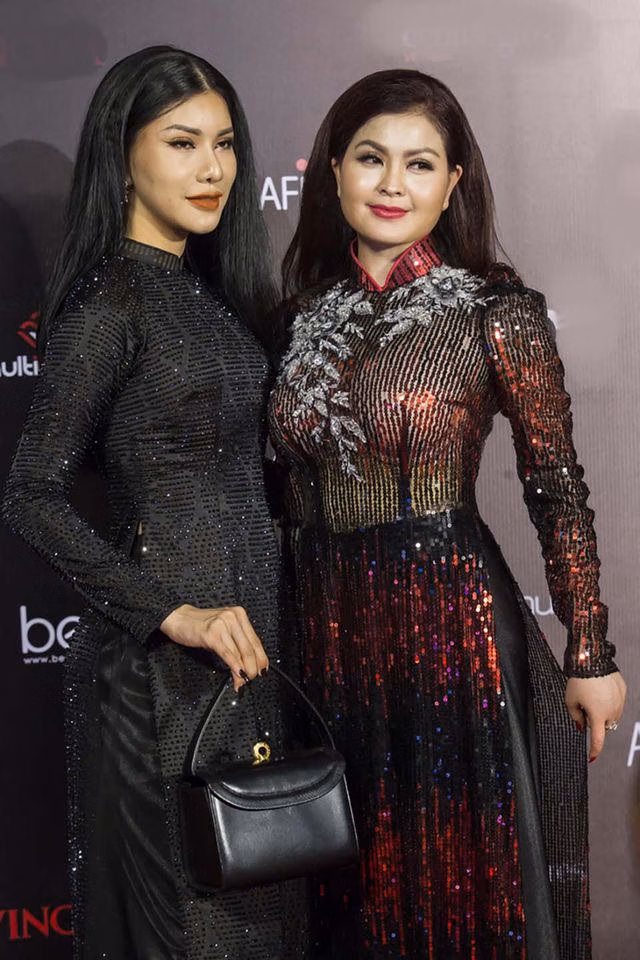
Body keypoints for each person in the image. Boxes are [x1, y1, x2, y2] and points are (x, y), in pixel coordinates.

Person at [268, 69, 626, 960]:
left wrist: (589, 651)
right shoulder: (295, 321)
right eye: (371, 158)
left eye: (420, 164)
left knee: (463, 885)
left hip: (450, 625)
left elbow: (556, 485)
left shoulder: (496, 312)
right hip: (328, 633)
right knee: (353, 892)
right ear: (333, 171)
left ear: (453, 181)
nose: (393, 184)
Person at [3, 45, 307, 960]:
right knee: (192, 928)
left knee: (259, 915)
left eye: (224, 144)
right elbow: (30, 494)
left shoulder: (210, 296)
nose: (212, 168)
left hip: (246, 658)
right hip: (161, 676)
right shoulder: (109, 304)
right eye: (182, 143)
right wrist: (174, 612)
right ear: (123, 154)